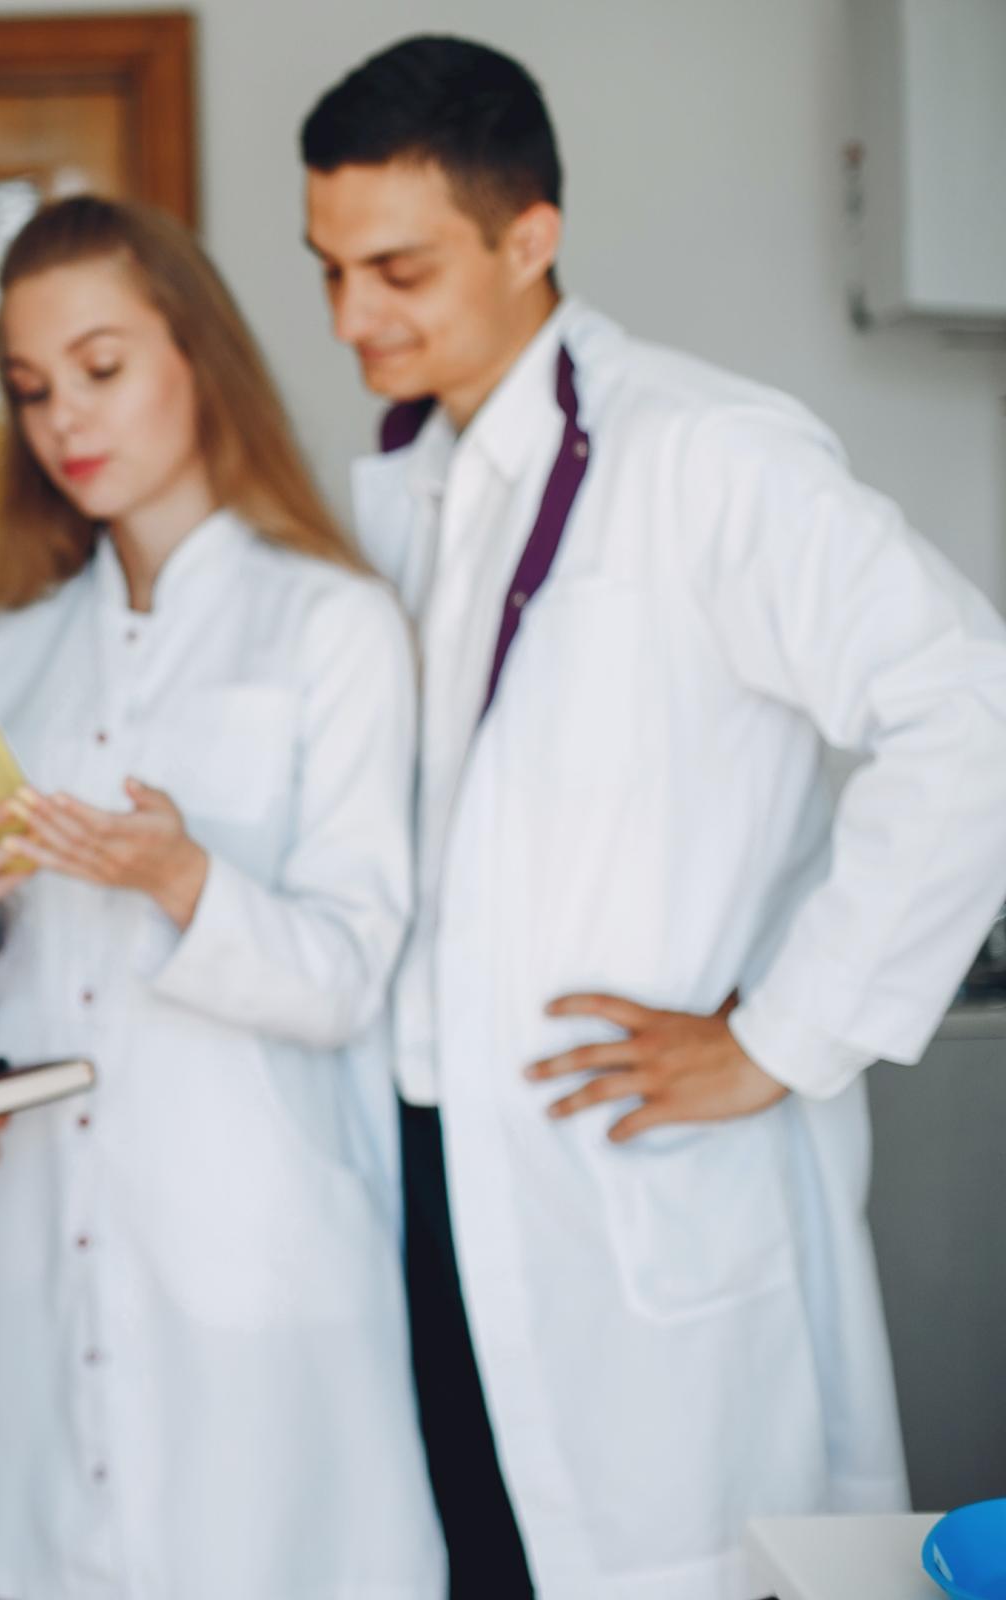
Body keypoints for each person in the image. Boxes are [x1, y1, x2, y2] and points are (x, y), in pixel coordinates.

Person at [303, 37, 1006, 1599]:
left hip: (635, 1178)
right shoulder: (412, 480)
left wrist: (781, 1034)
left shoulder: (706, 455)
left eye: (398, 268)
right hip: (439, 1174)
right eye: (330, 268)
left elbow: (970, 708)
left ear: (528, 236)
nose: (353, 316)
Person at [0, 194, 444, 1599]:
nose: (64, 416)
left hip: (250, 1257)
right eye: (28, 388)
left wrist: (185, 881)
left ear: (195, 354)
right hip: (33, 1250)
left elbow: (347, 973)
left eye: (100, 367)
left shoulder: (330, 625)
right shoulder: (1, 652)